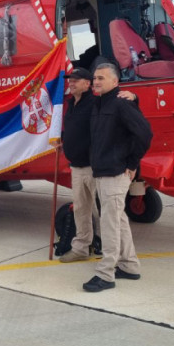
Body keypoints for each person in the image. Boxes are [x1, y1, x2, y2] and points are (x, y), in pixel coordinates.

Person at [82, 62, 152, 293]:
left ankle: (106, 274)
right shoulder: (99, 104)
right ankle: (130, 265)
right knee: (118, 219)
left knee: (109, 223)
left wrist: (132, 163)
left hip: (115, 172)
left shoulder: (122, 103)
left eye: (102, 78)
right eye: (95, 78)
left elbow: (144, 133)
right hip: (103, 171)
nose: (97, 82)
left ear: (115, 81)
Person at [58, 67, 137, 263]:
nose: (71, 82)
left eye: (76, 80)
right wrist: (63, 139)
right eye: (70, 79)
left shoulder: (95, 103)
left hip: (94, 167)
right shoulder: (71, 104)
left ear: (87, 84)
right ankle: (81, 247)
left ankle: (106, 247)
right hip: (76, 166)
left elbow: (123, 110)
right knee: (81, 208)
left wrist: (135, 96)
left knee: (107, 212)